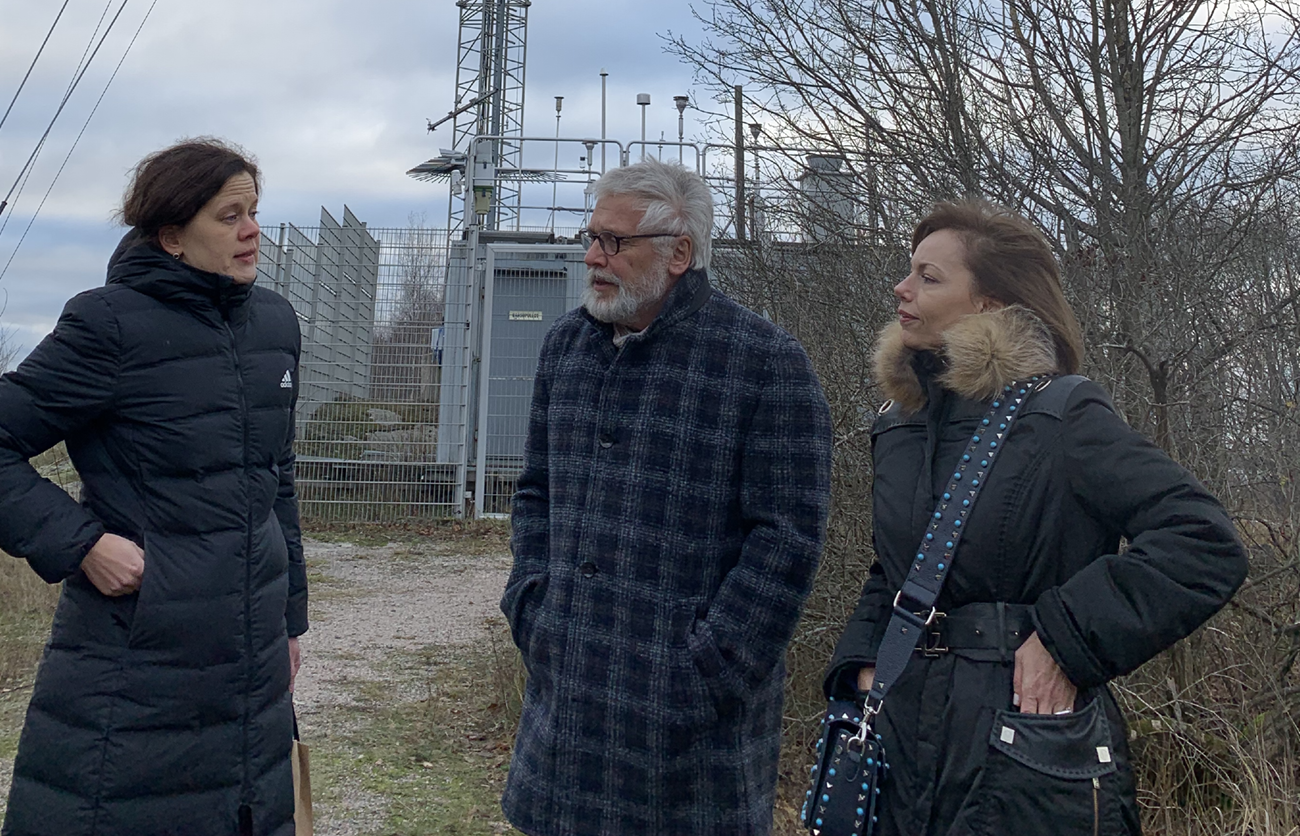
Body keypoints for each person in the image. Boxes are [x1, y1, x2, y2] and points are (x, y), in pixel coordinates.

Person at [827, 200, 1243, 836]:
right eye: (909, 272)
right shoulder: (899, 426)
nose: (902, 288)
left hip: (1025, 745)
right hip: (899, 742)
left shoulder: (1061, 416)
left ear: (992, 303)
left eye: (929, 277)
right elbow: (893, 569)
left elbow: (1204, 542)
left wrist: (1066, 638)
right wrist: (863, 663)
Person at [0, 138, 307, 836]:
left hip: (249, 652)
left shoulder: (275, 325)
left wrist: (289, 619)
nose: (251, 230)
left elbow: (275, 479)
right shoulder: (107, 325)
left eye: (253, 211)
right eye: (228, 215)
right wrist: (81, 544)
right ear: (171, 235)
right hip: (136, 656)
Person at [500, 160, 830, 836]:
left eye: (614, 242)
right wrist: (533, 610)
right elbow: (535, 492)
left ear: (679, 252)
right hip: (563, 728)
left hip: (687, 751)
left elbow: (786, 542)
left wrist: (702, 675)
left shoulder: (764, 363)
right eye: (590, 237)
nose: (593, 255)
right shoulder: (565, 346)